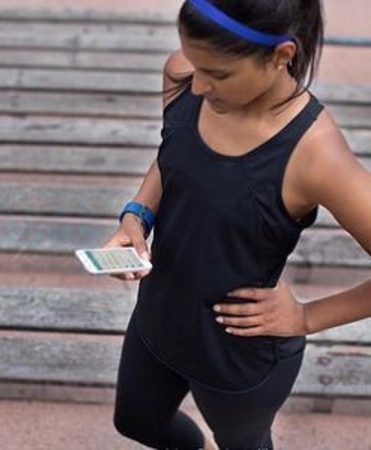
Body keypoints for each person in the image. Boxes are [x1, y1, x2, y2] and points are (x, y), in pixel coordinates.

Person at [104, 0, 371, 449]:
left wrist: (306, 316)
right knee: (136, 422)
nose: (200, 84)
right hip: (158, 321)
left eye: (219, 74)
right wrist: (138, 214)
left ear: (282, 55)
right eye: (196, 60)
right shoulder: (186, 74)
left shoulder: (317, 155)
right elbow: (178, 149)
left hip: (237, 354)